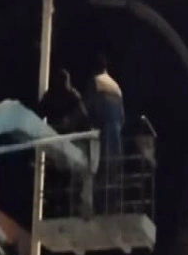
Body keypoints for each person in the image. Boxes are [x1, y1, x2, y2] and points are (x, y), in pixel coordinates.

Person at [36, 69, 92, 218]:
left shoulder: (51, 96)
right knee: (70, 176)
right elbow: (84, 117)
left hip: (56, 141)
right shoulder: (71, 95)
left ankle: (59, 206)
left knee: (60, 177)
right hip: (66, 142)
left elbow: (39, 114)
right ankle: (69, 205)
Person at [85, 54, 125, 214]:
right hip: (116, 134)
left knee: (99, 170)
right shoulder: (116, 86)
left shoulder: (95, 81)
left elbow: (89, 108)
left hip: (102, 132)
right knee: (113, 171)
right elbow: (122, 116)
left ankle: (98, 208)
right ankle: (111, 207)